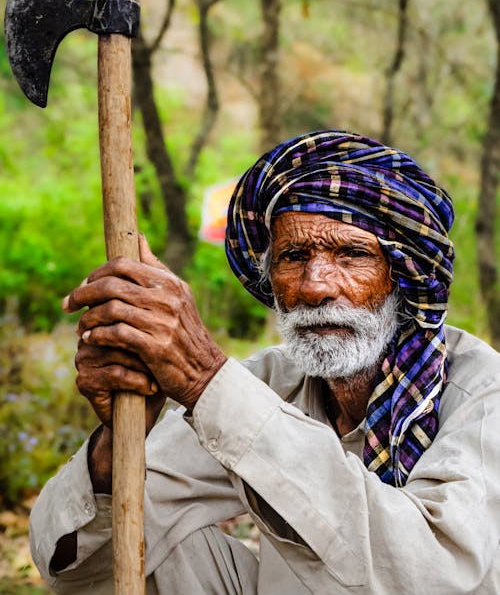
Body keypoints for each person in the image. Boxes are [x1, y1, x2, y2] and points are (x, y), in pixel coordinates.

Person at [30, 130, 500, 594]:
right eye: (294, 256)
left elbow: (435, 574)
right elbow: (73, 567)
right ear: (271, 278)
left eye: (352, 255)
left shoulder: (482, 391)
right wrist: (119, 438)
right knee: (141, 533)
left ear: (402, 276)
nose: (315, 286)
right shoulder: (271, 383)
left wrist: (203, 377)